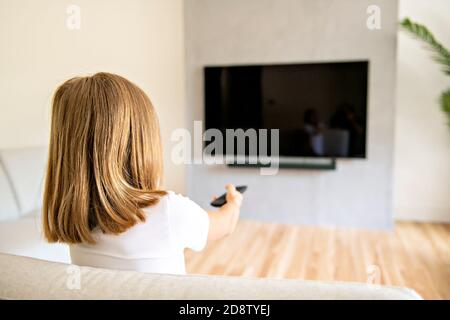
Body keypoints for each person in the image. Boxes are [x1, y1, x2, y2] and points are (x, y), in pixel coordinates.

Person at [42, 72, 243, 274]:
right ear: (141, 144)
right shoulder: (167, 211)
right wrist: (233, 202)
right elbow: (225, 225)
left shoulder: (76, 219)